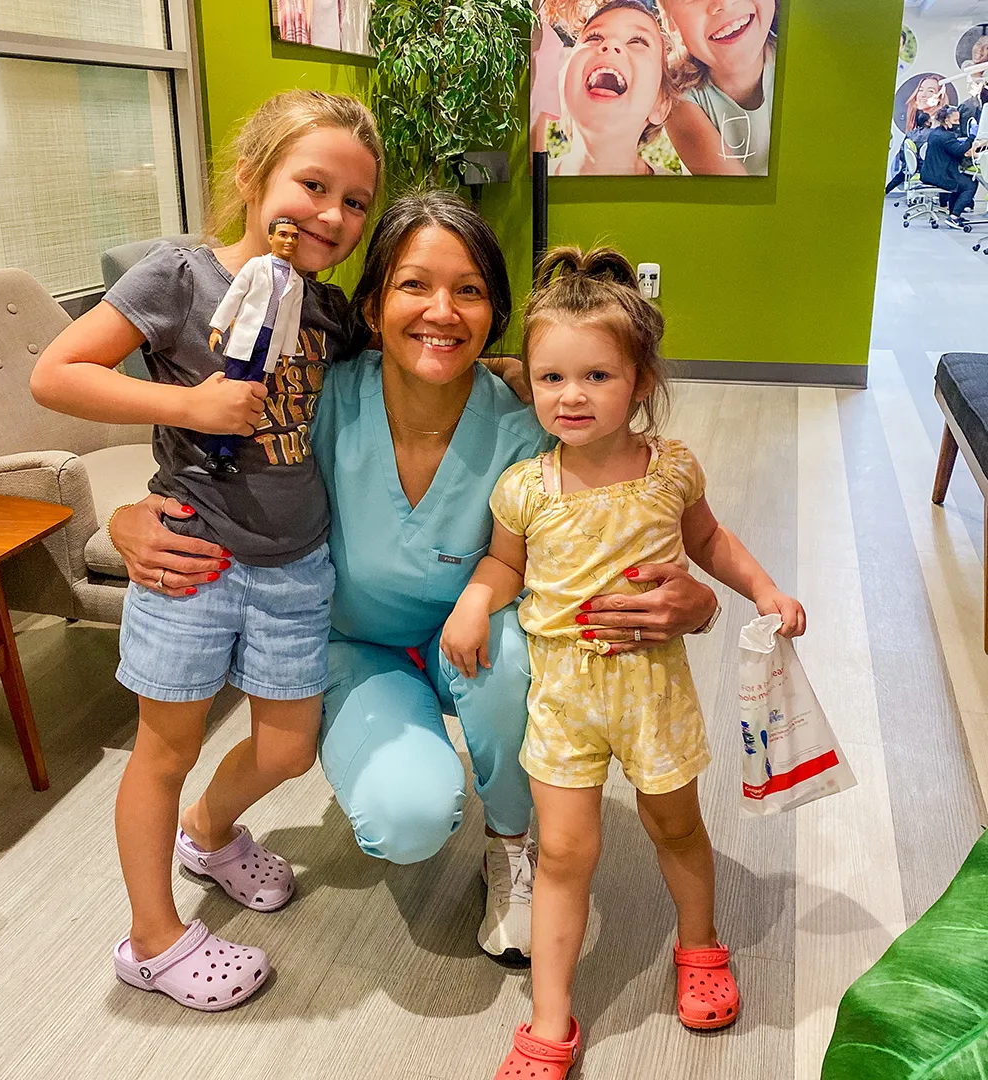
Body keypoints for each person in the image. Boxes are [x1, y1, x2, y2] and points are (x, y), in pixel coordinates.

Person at [107, 191, 722, 965]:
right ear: (372, 304)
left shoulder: (532, 419)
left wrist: (697, 605)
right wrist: (130, 514)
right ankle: (207, 825)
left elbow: (645, 510)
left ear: (494, 311)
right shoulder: (318, 394)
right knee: (407, 820)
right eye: (413, 285)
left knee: (510, 650)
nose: (442, 311)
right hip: (355, 648)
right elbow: (215, 466)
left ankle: (510, 846)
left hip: (481, 641)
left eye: (468, 290)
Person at [30, 89, 382, 1011]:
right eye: (312, 184)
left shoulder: (326, 310)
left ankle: (210, 834)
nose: (332, 215)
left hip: (297, 562)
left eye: (354, 201)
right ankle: (150, 939)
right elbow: (57, 373)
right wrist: (188, 406)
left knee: (289, 748)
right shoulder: (177, 277)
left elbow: (394, 368)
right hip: (194, 560)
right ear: (251, 176)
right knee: (165, 745)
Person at [438, 246, 805, 1079]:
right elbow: (504, 566)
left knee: (673, 822)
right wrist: (472, 600)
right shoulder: (526, 487)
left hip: (653, 688)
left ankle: (701, 946)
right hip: (563, 693)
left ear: (639, 380)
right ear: (528, 380)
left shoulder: (668, 468)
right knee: (564, 853)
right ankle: (550, 1020)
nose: (571, 396)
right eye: (551, 378)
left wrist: (763, 591)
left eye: (597, 376)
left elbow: (709, 539)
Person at [204, 216, 304, 475]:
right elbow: (234, 294)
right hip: (247, 336)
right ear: (271, 237)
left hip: (270, 342)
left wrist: (287, 352)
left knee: (250, 396)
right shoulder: (256, 266)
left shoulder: (296, 281)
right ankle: (212, 450)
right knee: (229, 392)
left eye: (294, 236)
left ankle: (227, 454)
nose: (289, 241)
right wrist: (219, 326)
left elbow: (292, 320)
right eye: (283, 234)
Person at [549, 0, 681, 176]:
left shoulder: (676, 197)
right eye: (594, 37)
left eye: (637, 41)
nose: (611, 44)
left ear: (661, 104)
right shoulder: (524, 188)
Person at [661, 0, 778, 176]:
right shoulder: (676, 99)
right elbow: (741, 200)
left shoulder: (810, 58)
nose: (724, 3)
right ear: (669, 21)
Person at [921, 104, 977, 228]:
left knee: (961, 182)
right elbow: (958, 151)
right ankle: (954, 217)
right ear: (946, 120)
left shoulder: (936, 132)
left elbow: (951, 149)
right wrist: (972, 137)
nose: (958, 123)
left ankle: (953, 213)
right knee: (970, 185)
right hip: (939, 175)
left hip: (930, 172)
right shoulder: (946, 137)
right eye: (955, 120)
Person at [885, 110, 931, 195]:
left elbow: (902, 152)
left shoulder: (910, 134)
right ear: (927, 122)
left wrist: (906, 163)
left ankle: (884, 192)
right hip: (926, 168)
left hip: (910, 167)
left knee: (897, 179)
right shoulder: (932, 134)